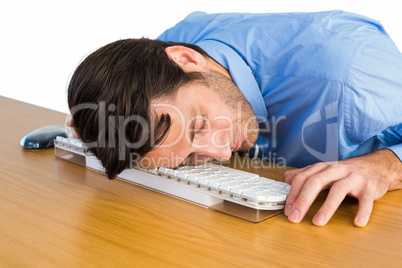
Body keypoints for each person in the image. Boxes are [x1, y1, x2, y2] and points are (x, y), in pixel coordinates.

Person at [67, 10, 402, 227]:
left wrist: (384, 166)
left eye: (199, 126)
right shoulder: (166, 59)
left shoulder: (352, 76)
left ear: (188, 58)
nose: (222, 155)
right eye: (188, 158)